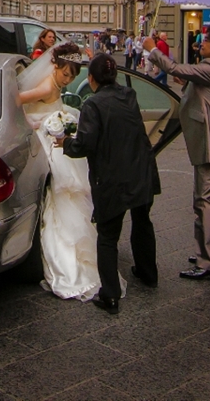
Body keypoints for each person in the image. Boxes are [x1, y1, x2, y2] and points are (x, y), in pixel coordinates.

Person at [56, 52, 160, 315]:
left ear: (91, 79)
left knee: (108, 236)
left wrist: (65, 142)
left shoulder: (93, 105)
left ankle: (110, 295)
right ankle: (148, 274)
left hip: (113, 177)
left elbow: (84, 145)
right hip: (141, 169)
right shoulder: (130, 95)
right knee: (142, 222)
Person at [144, 22, 210, 279]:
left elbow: (174, 66)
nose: (202, 43)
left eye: (206, 40)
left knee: (206, 199)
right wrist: (185, 80)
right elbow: (200, 87)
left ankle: (208, 261)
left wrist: (154, 50)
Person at [18, 43, 107, 302]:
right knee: (64, 190)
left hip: (55, 137)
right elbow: (16, 100)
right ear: (55, 65)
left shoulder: (54, 85)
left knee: (70, 190)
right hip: (47, 139)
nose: (67, 79)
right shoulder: (47, 86)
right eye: (65, 74)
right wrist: (34, 123)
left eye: (72, 76)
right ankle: (66, 259)